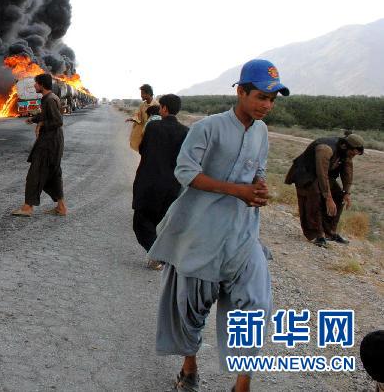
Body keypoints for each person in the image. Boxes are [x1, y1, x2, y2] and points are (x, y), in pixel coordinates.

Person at [148, 59, 289, 392]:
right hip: (202, 232)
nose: (267, 105)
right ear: (241, 91)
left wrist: (258, 187)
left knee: (256, 305)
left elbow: (260, 170)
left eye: (272, 99)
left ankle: (243, 384)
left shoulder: (262, 132)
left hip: (243, 235)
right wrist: (236, 190)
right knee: (192, 307)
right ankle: (189, 368)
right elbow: (185, 172)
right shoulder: (208, 128)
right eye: (261, 97)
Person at [131, 94, 189, 268]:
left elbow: (143, 149)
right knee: (160, 221)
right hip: (172, 184)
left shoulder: (153, 127)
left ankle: (158, 256)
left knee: (140, 222)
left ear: (163, 108)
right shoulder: (185, 131)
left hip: (149, 181)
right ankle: (160, 255)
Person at [285, 131, 364, 247]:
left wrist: (346, 192)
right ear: (344, 146)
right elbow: (321, 174)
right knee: (315, 199)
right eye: (352, 153)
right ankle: (318, 235)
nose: (352, 156)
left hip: (323, 176)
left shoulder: (346, 152)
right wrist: (328, 198)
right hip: (306, 175)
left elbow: (347, 171)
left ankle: (330, 232)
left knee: (339, 196)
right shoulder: (325, 149)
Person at [12, 73, 67, 217]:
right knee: (53, 174)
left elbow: (57, 121)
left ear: (42, 85)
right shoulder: (50, 98)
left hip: (49, 143)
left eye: (36, 83)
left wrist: (42, 126)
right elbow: (47, 116)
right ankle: (61, 207)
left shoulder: (49, 100)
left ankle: (27, 207)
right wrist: (35, 119)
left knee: (35, 173)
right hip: (53, 142)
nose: (34, 86)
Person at [126, 84, 159, 151]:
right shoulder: (142, 105)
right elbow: (138, 117)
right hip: (143, 133)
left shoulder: (156, 105)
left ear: (149, 94)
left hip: (152, 134)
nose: (141, 95)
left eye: (142, 93)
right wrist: (132, 119)